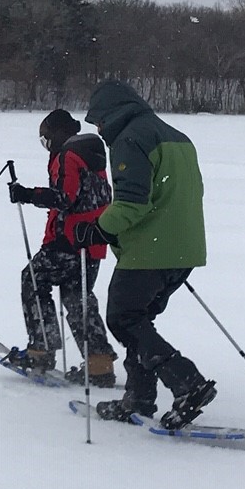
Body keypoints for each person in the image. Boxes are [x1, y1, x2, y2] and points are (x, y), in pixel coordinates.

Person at [77, 79, 216, 428]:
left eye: (98, 121)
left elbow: (132, 202)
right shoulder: (176, 136)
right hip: (184, 250)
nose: (98, 129)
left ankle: (187, 383)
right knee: (138, 321)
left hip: (150, 251)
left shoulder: (130, 138)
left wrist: (97, 228)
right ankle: (138, 398)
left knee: (123, 319)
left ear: (110, 114)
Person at [1, 109, 117, 386]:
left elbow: (65, 197)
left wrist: (27, 194)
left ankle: (41, 348)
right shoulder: (93, 152)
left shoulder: (68, 155)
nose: (47, 146)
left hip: (68, 240)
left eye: (46, 139)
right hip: (93, 239)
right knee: (78, 297)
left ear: (56, 133)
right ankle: (98, 364)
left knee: (33, 277)